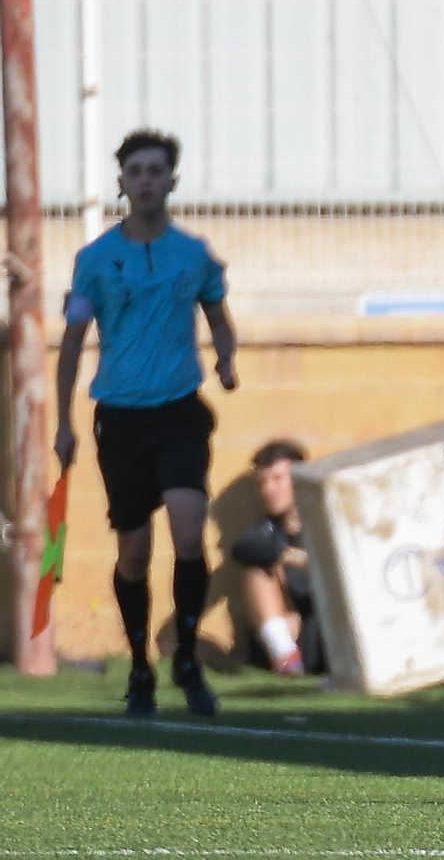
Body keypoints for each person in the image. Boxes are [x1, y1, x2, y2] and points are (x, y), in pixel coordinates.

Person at [55, 128, 238, 717]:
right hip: (121, 418)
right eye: (136, 172)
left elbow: (218, 314)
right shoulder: (94, 260)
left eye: (156, 171)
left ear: (171, 181)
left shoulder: (194, 254)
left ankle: (186, 654)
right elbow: (72, 341)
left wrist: (227, 357)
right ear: (122, 184)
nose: (147, 181)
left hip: (180, 409)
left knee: (189, 530)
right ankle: (140, 666)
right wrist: (64, 423)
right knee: (133, 552)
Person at [231, 440, 324, 676]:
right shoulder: (266, 530)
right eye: (262, 482)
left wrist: (311, 563)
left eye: (277, 479)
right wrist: (288, 556)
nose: (267, 489)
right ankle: (287, 660)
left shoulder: (325, 524)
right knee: (258, 568)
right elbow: (242, 548)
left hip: (328, 630)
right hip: (292, 639)